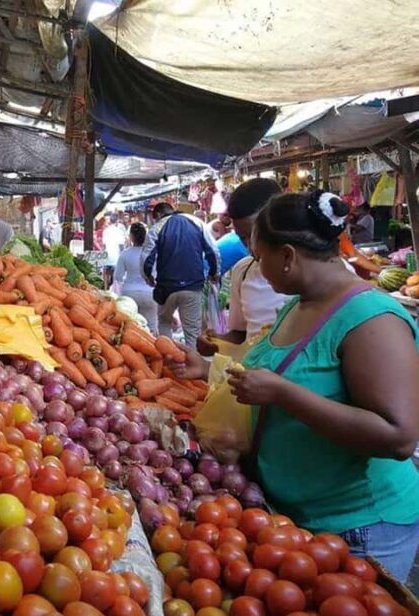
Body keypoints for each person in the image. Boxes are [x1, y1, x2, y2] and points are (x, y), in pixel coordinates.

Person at [173, 190, 419, 581]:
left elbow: (399, 436)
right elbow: (276, 369)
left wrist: (283, 395)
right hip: (297, 519)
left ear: (287, 256)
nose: (259, 270)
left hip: (359, 528)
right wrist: (208, 368)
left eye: (260, 258)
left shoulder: (373, 320)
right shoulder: (298, 303)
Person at [198, 178, 287, 355]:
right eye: (243, 238)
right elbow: (242, 335)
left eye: (255, 235)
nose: (251, 246)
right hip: (253, 377)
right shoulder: (243, 271)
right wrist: (217, 342)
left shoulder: (320, 275)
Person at [142, 202, 219, 347]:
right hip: (193, 286)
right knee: (192, 332)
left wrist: (148, 278)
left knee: (164, 323)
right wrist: (215, 273)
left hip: (167, 288)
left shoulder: (158, 227)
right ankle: (193, 364)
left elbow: (146, 258)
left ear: (158, 215)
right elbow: (213, 251)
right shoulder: (197, 222)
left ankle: (169, 357)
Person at [114, 223, 158, 333]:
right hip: (150, 294)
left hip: (129, 294)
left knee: (130, 328)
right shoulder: (152, 254)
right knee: (151, 328)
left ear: (131, 237)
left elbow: (118, 277)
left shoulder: (125, 254)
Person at [101, 212, 127, 288]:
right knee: (116, 278)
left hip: (107, 256)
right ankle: (114, 291)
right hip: (116, 257)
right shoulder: (119, 231)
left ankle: (106, 289)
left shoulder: (106, 231)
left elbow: (104, 245)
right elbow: (121, 246)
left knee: (106, 274)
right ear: (117, 221)